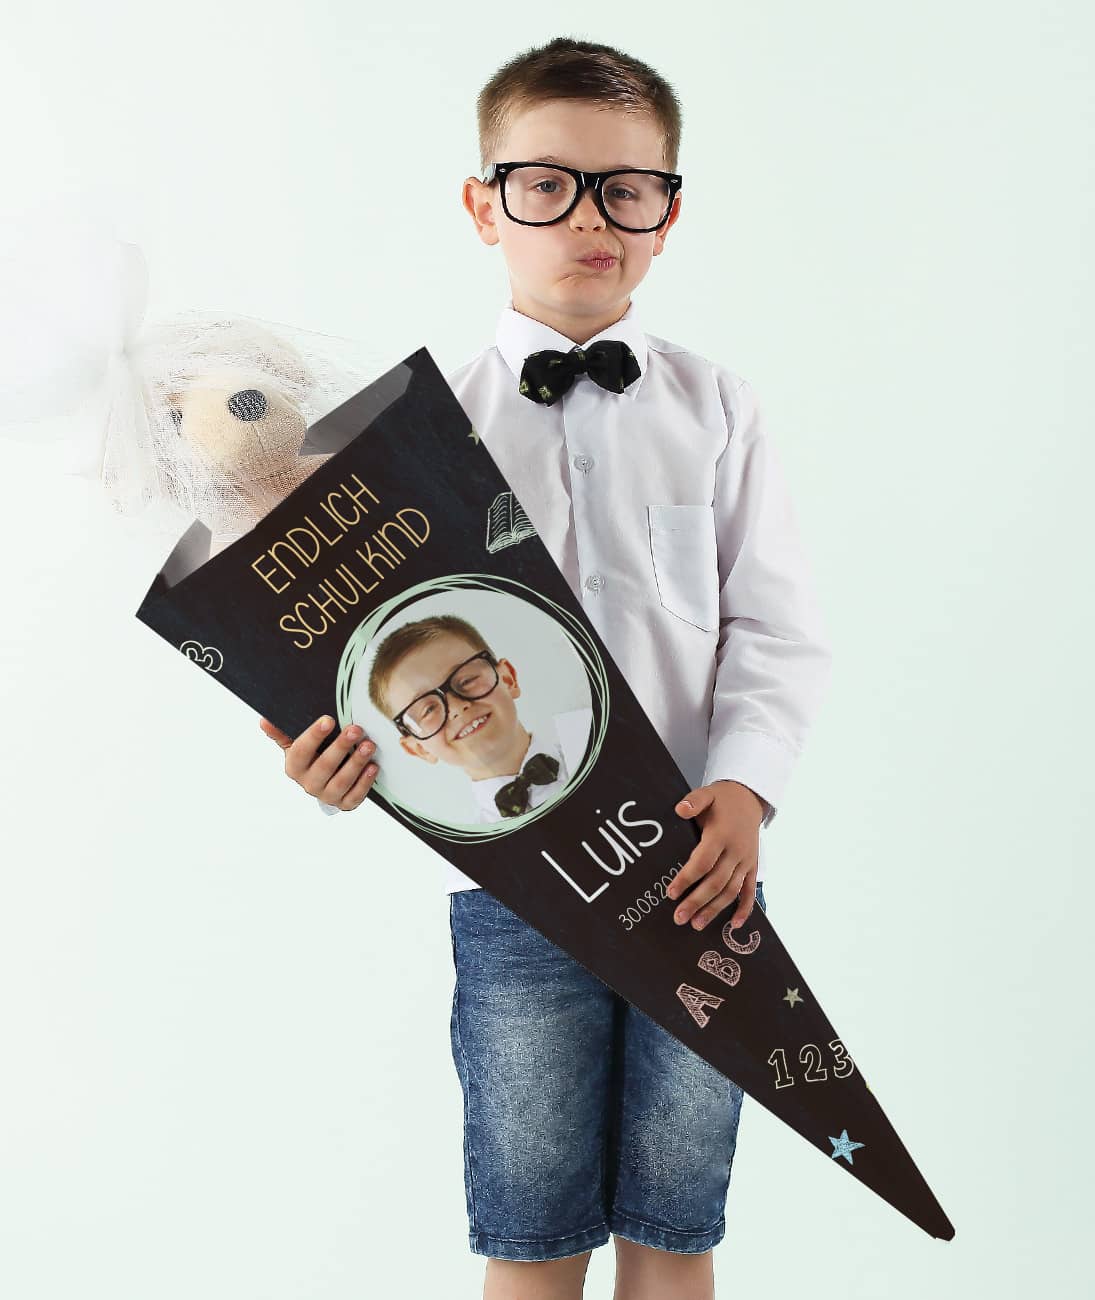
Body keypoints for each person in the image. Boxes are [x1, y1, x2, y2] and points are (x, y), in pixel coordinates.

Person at [258, 36, 832, 1300]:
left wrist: (746, 788)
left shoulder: (719, 409)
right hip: (513, 891)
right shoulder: (410, 435)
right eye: (545, 185)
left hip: (699, 872)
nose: (588, 219)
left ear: (668, 212)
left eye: (625, 189)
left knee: (677, 1223)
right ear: (484, 206)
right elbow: (352, 658)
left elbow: (776, 627)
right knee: (529, 1233)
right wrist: (331, 752)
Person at [365, 611, 593, 825]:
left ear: (508, 679)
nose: (457, 707)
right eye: (428, 709)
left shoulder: (597, 733)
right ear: (418, 749)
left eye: (466, 680)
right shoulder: (470, 849)